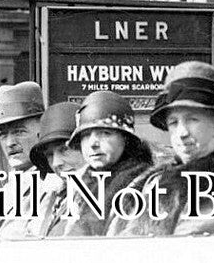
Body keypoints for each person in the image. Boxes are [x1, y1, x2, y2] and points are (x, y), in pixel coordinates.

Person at [108, 61, 214, 236]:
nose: (182, 133)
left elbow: (181, 252)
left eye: (192, 119)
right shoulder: (155, 180)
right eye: (173, 122)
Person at [64, 90, 153, 236]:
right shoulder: (80, 184)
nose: (93, 143)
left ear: (125, 139)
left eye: (105, 133)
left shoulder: (144, 186)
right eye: (85, 135)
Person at [0, 82, 46, 239]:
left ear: (42, 131)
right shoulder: (11, 184)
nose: (10, 143)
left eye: (19, 132)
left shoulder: (50, 183)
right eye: (3, 134)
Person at [26, 101, 82, 238]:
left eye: (65, 150)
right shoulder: (53, 198)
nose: (56, 163)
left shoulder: (110, 196)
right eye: (49, 155)